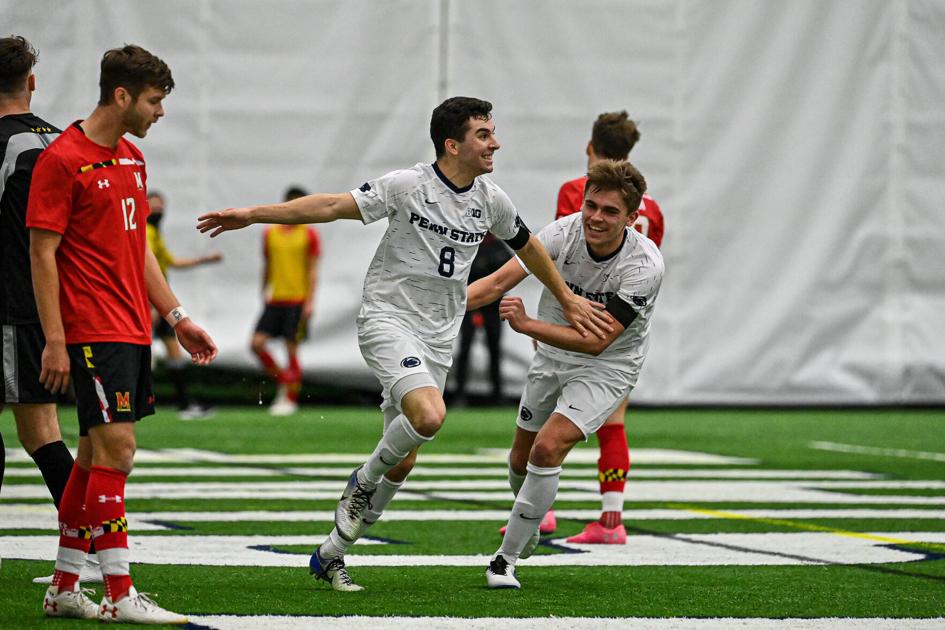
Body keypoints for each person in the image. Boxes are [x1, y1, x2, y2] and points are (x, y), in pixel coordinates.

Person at [197, 96, 611, 592]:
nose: (495, 142)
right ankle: (362, 481)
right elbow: (330, 205)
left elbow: (529, 247)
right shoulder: (407, 185)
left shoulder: (491, 200)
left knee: (407, 454)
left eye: (493, 133)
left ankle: (331, 554)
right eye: (484, 134)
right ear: (452, 144)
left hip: (439, 335)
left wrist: (564, 297)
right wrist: (254, 214)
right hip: (388, 320)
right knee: (430, 417)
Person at [28, 44, 217, 623]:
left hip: (131, 328)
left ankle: (64, 587)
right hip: (92, 330)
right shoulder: (62, 159)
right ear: (121, 96)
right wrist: (55, 339)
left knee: (90, 457)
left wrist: (177, 318)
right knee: (119, 451)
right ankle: (118, 594)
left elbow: (139, 255)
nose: (160, 111)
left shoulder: (132, 160)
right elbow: (42, 253)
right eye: (154, 101)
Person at [466, 159, 664, 588]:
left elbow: (597, 342)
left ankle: (505, 560)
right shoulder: (561, 232)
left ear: (632, 218)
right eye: (592, 205)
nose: (595, 217)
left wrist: (527, 325)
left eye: (610, 212)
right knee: (519, 458)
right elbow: (497, 283)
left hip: (608, 367)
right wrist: (435, 310)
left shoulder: (645, 265)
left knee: (547, 448)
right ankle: (530, 521)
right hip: (553, 357)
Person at [0, 34, 103, 581]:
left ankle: (86, 550)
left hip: (13, 305)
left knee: (39, 430)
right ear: (31, 82)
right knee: (42, 430)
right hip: (55, 303)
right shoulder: (61, 139)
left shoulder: (6, 145)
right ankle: (86, 549)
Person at [551, 110, 665, 544]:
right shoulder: (650, 209)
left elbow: (563, 250)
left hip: (572, 320)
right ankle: (611, 518)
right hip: (620, 326)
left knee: (542, 417)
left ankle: (540, 511)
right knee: (614, 421)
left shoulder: (577, 193)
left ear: (589, 147)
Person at [146, 189, 222, 420]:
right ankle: (165, 402)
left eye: (161, 206)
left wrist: (203, 260)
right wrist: (151, 304)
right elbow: (145, 269)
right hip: (153, 302)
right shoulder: (146, 232)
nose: (158, 210)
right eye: (154, 205)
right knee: (149, 354)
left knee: (173, 353)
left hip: (160, 303)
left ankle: (185, 403)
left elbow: (170, 262)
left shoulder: (154, 232)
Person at [250, 186, 320, 416]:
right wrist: (263, 289)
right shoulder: (270, 233)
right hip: (275, 298)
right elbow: (267, 264)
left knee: (291, 348)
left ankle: (290, 398)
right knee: (257, 343)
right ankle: (285, 381)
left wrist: (310, 301)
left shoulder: (308, 234)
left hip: (297, 299)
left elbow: (312, 269)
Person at [451, 232, 512, 405]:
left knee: (495, 350)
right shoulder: (469, 244)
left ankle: (497, 394)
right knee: (465, 349)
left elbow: (509, 274)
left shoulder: (499, 247)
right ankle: (459, 394)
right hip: (471, 305)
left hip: (493, 308)